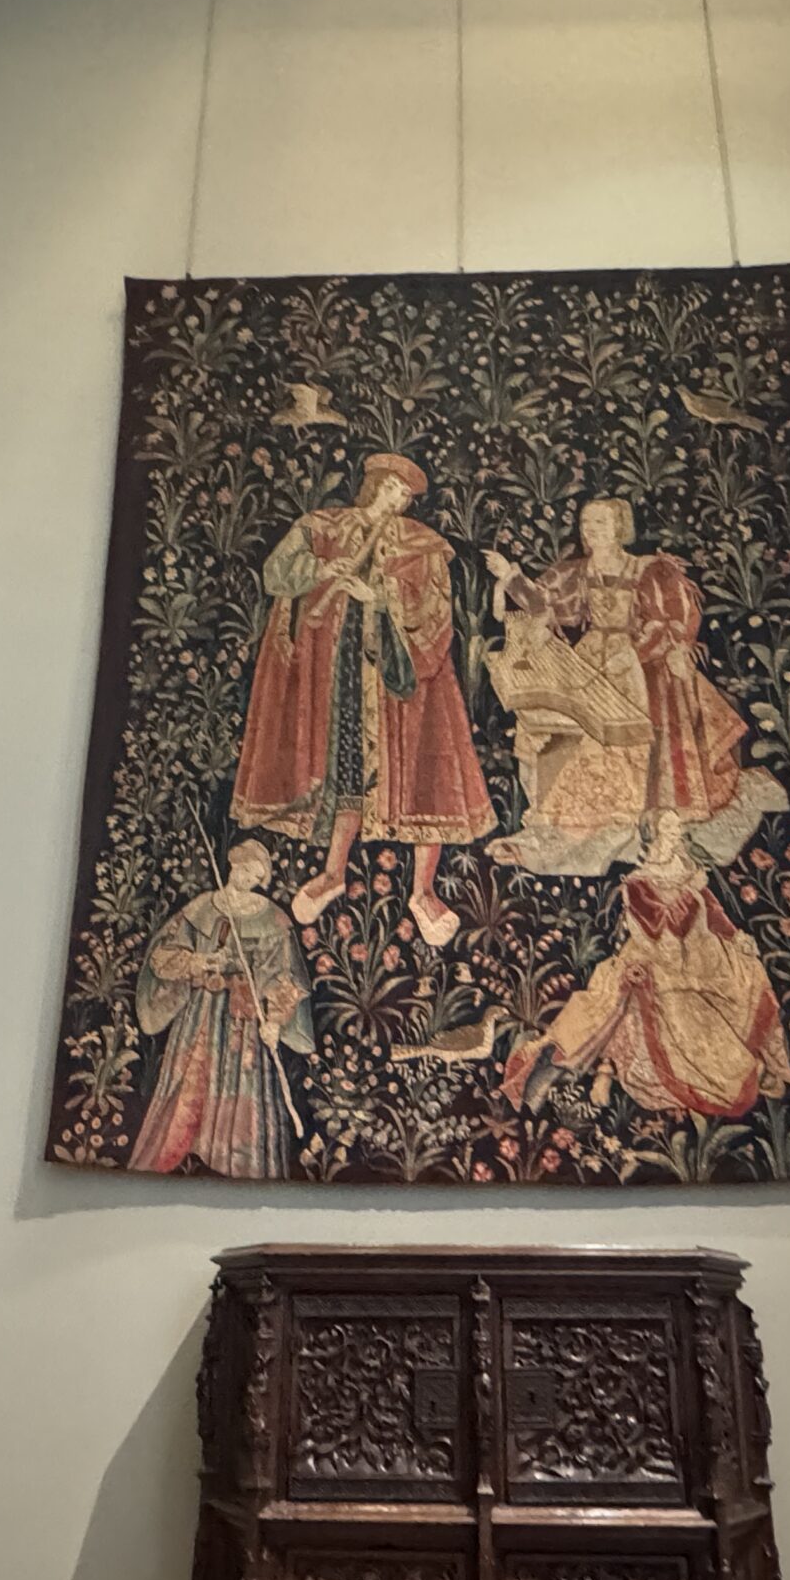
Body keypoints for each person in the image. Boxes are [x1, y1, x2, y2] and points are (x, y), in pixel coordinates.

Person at [230, 454, 495, 946]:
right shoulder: (324, 526)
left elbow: (435, 608)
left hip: (402, 679)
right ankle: (333, 873)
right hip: (342, 669)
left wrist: (378, 594)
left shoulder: (420, 543)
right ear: (375, 485)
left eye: (407, 496)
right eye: (394, 489)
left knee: (423, 778)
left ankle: (423, 892)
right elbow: (277, 572)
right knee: (348, 768)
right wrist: (326, 569)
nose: (400, 501)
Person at [483, 496, 782, 877]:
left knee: (627, 737)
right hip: (591, 657)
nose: (591, 530)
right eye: (586, 523)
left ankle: (622, 820)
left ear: (620, 528)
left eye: (601, 523)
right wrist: (509, 576)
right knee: (571, 731)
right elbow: (543, 604)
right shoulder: (578, 571)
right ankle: (579, 821)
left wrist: (638, 652)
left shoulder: (646, 569)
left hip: (633, 662)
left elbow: (669, 620)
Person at [500, 810, 790, 1119]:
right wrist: (687, 896)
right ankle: (616, 1070)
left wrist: (736, 937)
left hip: (700, 950)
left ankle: (755, 1061)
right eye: (669, 830)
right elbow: (659, 928)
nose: (677, 835)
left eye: (677, 829)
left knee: (747, 973)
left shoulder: (687, 867)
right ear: (654, 837)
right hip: (658, 955)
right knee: (669, 1006)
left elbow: (711, 911)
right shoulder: (640, 882)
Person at [130, 840, 313, 1179]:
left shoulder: (271, 917)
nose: (250, 880)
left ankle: (238, 1165)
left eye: (257, 876)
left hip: (245, 1022)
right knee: (189, 1082)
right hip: (200, 1014)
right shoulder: (201, 907)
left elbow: (283, 976)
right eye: (246, 870)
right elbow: (162, 956)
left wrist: (275, 1021)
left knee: (243, 1093)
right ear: (233, 863)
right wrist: (198, 962)